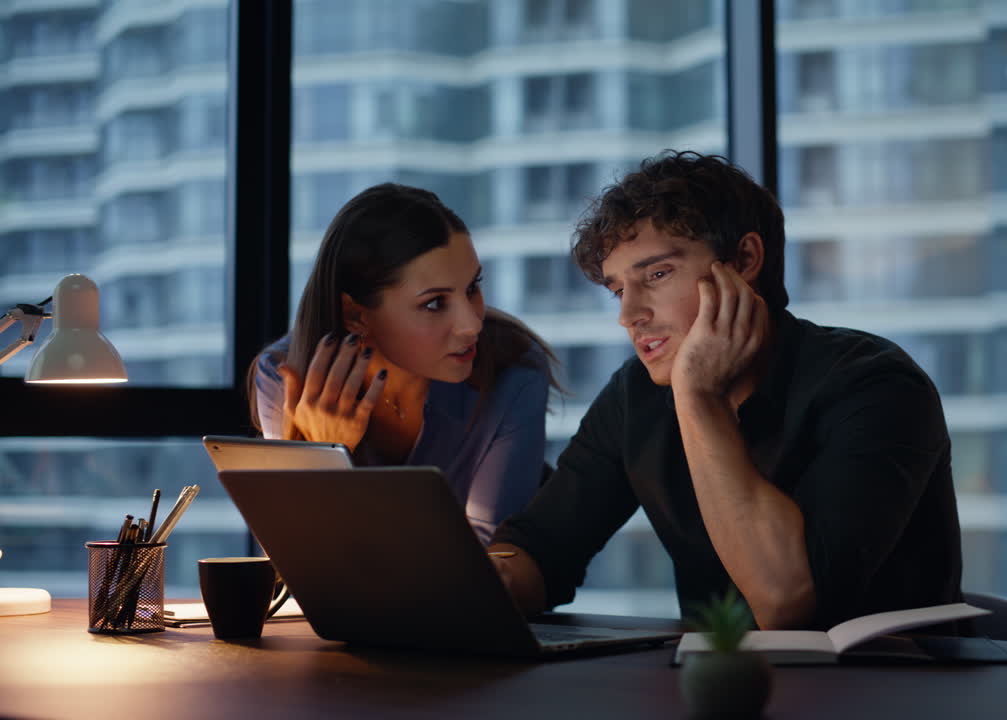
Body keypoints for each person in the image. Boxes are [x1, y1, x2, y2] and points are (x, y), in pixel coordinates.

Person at [489, 151, 962, 631]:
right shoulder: (636, 397)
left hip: (890, 689)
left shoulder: (877, 387)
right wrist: (495, 576)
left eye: (656, 275)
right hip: (720, 688)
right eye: (618, 289)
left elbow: (787, 603)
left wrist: (699, 399)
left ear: (745, 260)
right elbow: (542, 547)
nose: (629, 314)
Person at [250, 183, 560, 544]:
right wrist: (328, 458)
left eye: (472, 287)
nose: (472, 324)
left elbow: (486, 565)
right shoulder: (288, 378)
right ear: (355, 315)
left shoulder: (512, 374)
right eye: (434, 303)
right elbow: (296, 556)